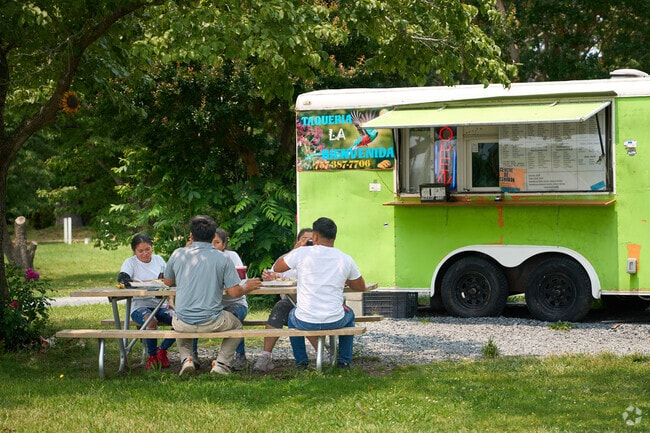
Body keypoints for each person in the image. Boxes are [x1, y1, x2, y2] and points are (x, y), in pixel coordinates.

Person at [163, 215, 262, 376]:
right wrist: (247, 286)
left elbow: (167, 281)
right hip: (212, 321)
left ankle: (186, 359)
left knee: (180, 320)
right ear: (212, 236)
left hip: (183, 321)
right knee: (237, 326)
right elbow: (235, 292)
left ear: (191, 235)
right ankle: (221, 363)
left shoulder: (178, 254)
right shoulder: (223, 257)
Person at [272, 217, 367, 369]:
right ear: (334, 237)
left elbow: (277, 267)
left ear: (314, 236)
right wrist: (345, 279)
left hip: (305, 320)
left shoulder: (302, 253)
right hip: (335, 319)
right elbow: (360, 286)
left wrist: (295, 249)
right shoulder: (345, 258)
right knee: (350, 315)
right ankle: (343, 361)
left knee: (292, 316)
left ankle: (301, 362)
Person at [253, 228, 325, 372]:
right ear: (297, 242)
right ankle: (266, 356)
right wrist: (271, 276)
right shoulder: (288, 258)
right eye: (304, 239)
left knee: (301, 316)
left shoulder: (322, 259)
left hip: (314, 302)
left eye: (311, 240)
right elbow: (274, 274)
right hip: (290, 301)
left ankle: (322, 355)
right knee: (279, 309)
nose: (307, 243)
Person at [117, 233, 175, 370]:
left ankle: (162, 350)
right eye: (140, 251)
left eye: (147, 249)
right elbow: (122, 280)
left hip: (160, 304)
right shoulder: (130, 263)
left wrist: (171, 300)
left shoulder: (159, 260)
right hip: (139, 306)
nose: (145, 253)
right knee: (151, 321)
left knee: (182, 321)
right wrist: (144, 282)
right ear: (134, 251)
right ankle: (152, 356)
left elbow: (169, 283)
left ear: (152, 248)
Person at [213, 228, 249, 370]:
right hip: (213, 305)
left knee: (233, 318)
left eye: (217, 242)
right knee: (195, 314)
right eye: (211, 242)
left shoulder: (231, 256)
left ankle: (239, 356)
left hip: (236, 302)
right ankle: (193, 356)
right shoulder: (204, 257)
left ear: (224, 244)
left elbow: (241, 281)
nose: (213, 245)